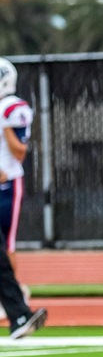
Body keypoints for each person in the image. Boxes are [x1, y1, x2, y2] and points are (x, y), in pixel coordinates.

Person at [0, 58, 32, 278]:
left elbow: (19, 152)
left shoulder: (12, 107)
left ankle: (12, 297)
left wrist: (5, 124)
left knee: (6, 243)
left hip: (7, 182)